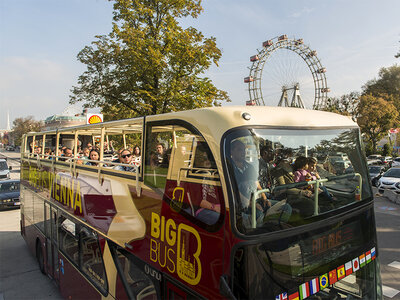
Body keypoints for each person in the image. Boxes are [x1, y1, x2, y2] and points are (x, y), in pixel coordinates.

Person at [230, 140, 269, 219]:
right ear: (232, 151)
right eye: (239, 150)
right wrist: (251, 204)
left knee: (285, 207)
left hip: (256, 199)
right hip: (242, 204)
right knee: (259, 214)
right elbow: (233, 191)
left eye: (244, 150)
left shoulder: (249, 166)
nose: (243, 152)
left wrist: (264, 197)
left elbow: (256, 183)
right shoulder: (229, 168)